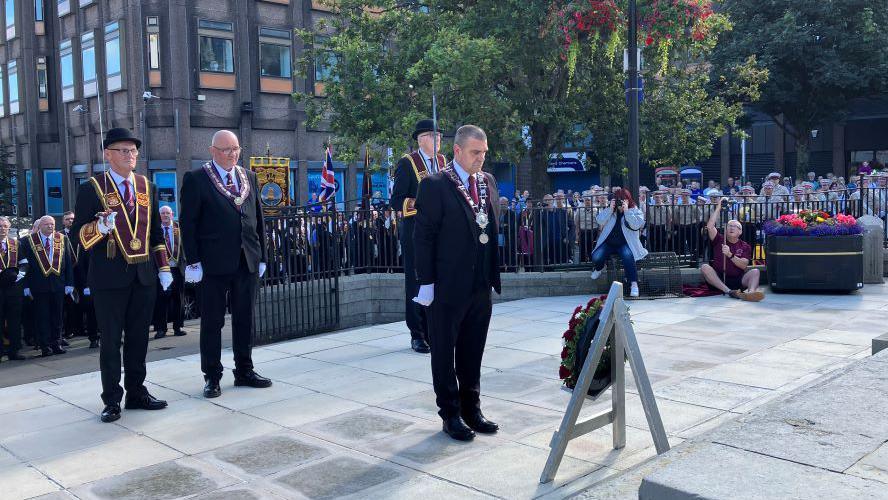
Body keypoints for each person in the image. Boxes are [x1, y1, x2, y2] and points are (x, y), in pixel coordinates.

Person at [72, 127, 172, 423]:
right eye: (124, 151)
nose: (131, 156)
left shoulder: (146, 187)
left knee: (140, 338)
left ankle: (137, 392)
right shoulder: (92, 188)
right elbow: (79, 236)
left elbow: (155, 233)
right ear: (108, 154)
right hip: (108, 278)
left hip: (143, 275)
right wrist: (99, 229)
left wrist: (163, 267)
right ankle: (112, 400)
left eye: (133, 151)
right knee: (111, 340)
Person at [413, 124, 501, 442]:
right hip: (447, 285)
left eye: (484, 153)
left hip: (479, 284)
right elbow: (423, 237)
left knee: (472, 349)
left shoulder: (487, 181)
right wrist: (427, 283)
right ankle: (450, 413)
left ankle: (471, 409)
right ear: (457, 151)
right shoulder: (436, 185)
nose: (481, 158)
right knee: (444, 352)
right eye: (475, 153)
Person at [180, 130, 271, 399]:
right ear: (212, 151)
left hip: (246, 260)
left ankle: (245, 369)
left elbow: (259, 219)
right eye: (226, 149)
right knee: (212, 322)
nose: (233, 154)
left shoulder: (248, 176)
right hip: (213, 264)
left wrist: (263, 255)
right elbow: (188, 223)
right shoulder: (197, 179)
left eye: (236, 148)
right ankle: (212, 375)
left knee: (246, 319)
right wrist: (193, 261)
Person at [390, 119, 447, 353]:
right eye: (434, 136)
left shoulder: (443, 162)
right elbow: (396, 200)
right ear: (422, 139)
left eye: (440, 136)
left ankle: (435, 329)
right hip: (415, 231)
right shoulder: (408, 163)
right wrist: (424, 202)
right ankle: (417, 333)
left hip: (440, 231)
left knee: (438, 279)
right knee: (416, 281)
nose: (439, 140)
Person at [21, 215, 74, 357]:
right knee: (42, 316)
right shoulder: (28, 241)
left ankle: (56, 343)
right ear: (40, 226)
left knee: (58, 316)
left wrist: (70, 283)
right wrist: (26, 286)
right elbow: (24, 266)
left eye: (52, 224)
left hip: (58, 284)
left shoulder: (62, 239)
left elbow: (68, 262)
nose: (50, 226)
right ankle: (45, 346)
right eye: (47, 224)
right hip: (38, 286)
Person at [700, 197, 764, 301]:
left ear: (740, 232)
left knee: (755, 271)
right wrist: (719, 207)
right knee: (705, 267)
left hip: (737, 279)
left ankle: (751, 293)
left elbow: (743, 265)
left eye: (735, 226)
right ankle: (729, 291)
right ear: (725, 228)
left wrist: (730, 255)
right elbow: (710, 227)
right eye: (729, 226)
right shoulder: (719, 239)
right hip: (719, 279)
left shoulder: (745, 246)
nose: (732, 228)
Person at [588, 189, 647, 297]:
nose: (621, 202)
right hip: (609, 242)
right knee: (596, 256)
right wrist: (610, 209)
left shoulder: (634, 210)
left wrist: (627, 211)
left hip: (625, 243)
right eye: (618, 199)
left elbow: (636, 225)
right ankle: (599, 267)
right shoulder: (611, 210)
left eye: (623, 199)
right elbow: (600, 220)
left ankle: (634, 284)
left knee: (628, 257)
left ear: (628, 199)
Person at [152, 206, 186, 339]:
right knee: (162, 299)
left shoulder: (179, 228)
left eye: (167, 213)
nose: (165, 215)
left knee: (178, 299)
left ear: (172, 214)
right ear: (159, 216)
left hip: (177, 269)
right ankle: (161, 329)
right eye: (162, 213)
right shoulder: (156, 230)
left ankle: (178, 327)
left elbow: (185, 248)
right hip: (162, 269)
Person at [0, 216, 26, 360]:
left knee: (14, 320)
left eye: (5, 226)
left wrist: (18, 276)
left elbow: (24, 262)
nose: (2, 229)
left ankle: (14, 350)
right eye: (0, 226)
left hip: (13, 287)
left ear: (8, 228)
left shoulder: (15, 244)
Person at [60, 211, 80, 344]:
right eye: (68, 219)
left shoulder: (80, 233)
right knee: (68, 304)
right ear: (63, 221)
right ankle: (68, 330)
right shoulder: (60, 235)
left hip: (81, 272)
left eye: (73, 219)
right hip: (67, 272)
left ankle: (79, 327)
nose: (71, 221)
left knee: (81, 302)